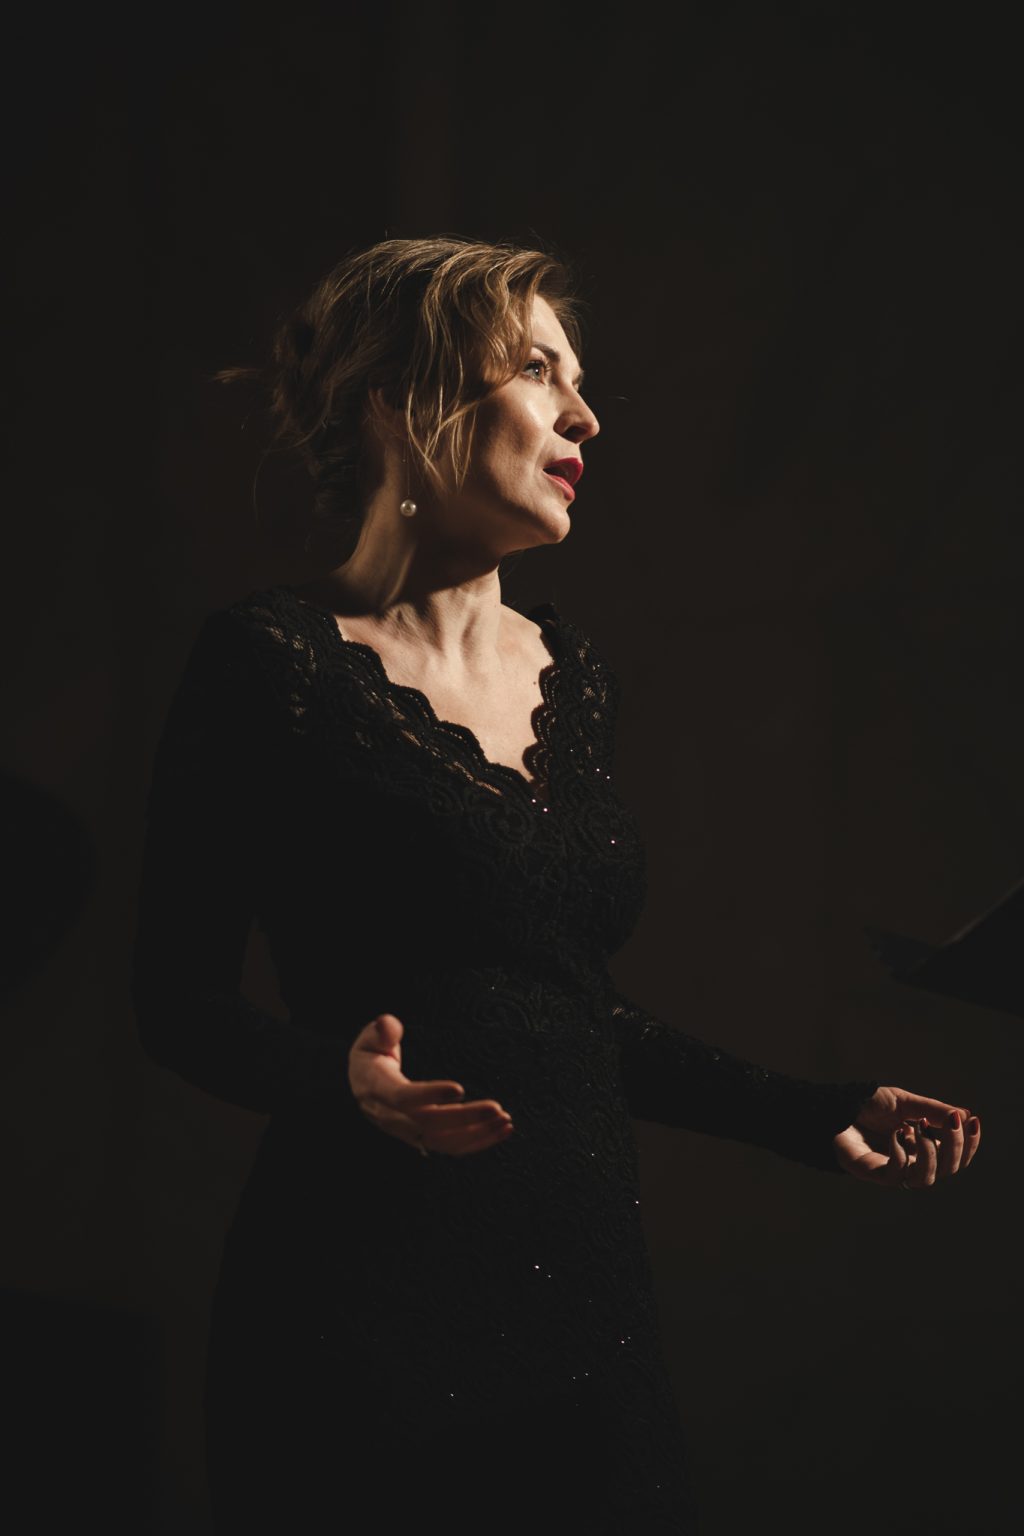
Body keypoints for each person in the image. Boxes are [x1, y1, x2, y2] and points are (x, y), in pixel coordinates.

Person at [130, 236, 981, 1535]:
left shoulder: (571, 675)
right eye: (538, 371)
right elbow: (176, 1000)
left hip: (586, 1311)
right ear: (400, 403)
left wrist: (815, 1113)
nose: (585, 416)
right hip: (361, 1304)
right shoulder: (268, 664)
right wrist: (340, 1085)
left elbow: (563, 1015)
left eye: (581, 381)